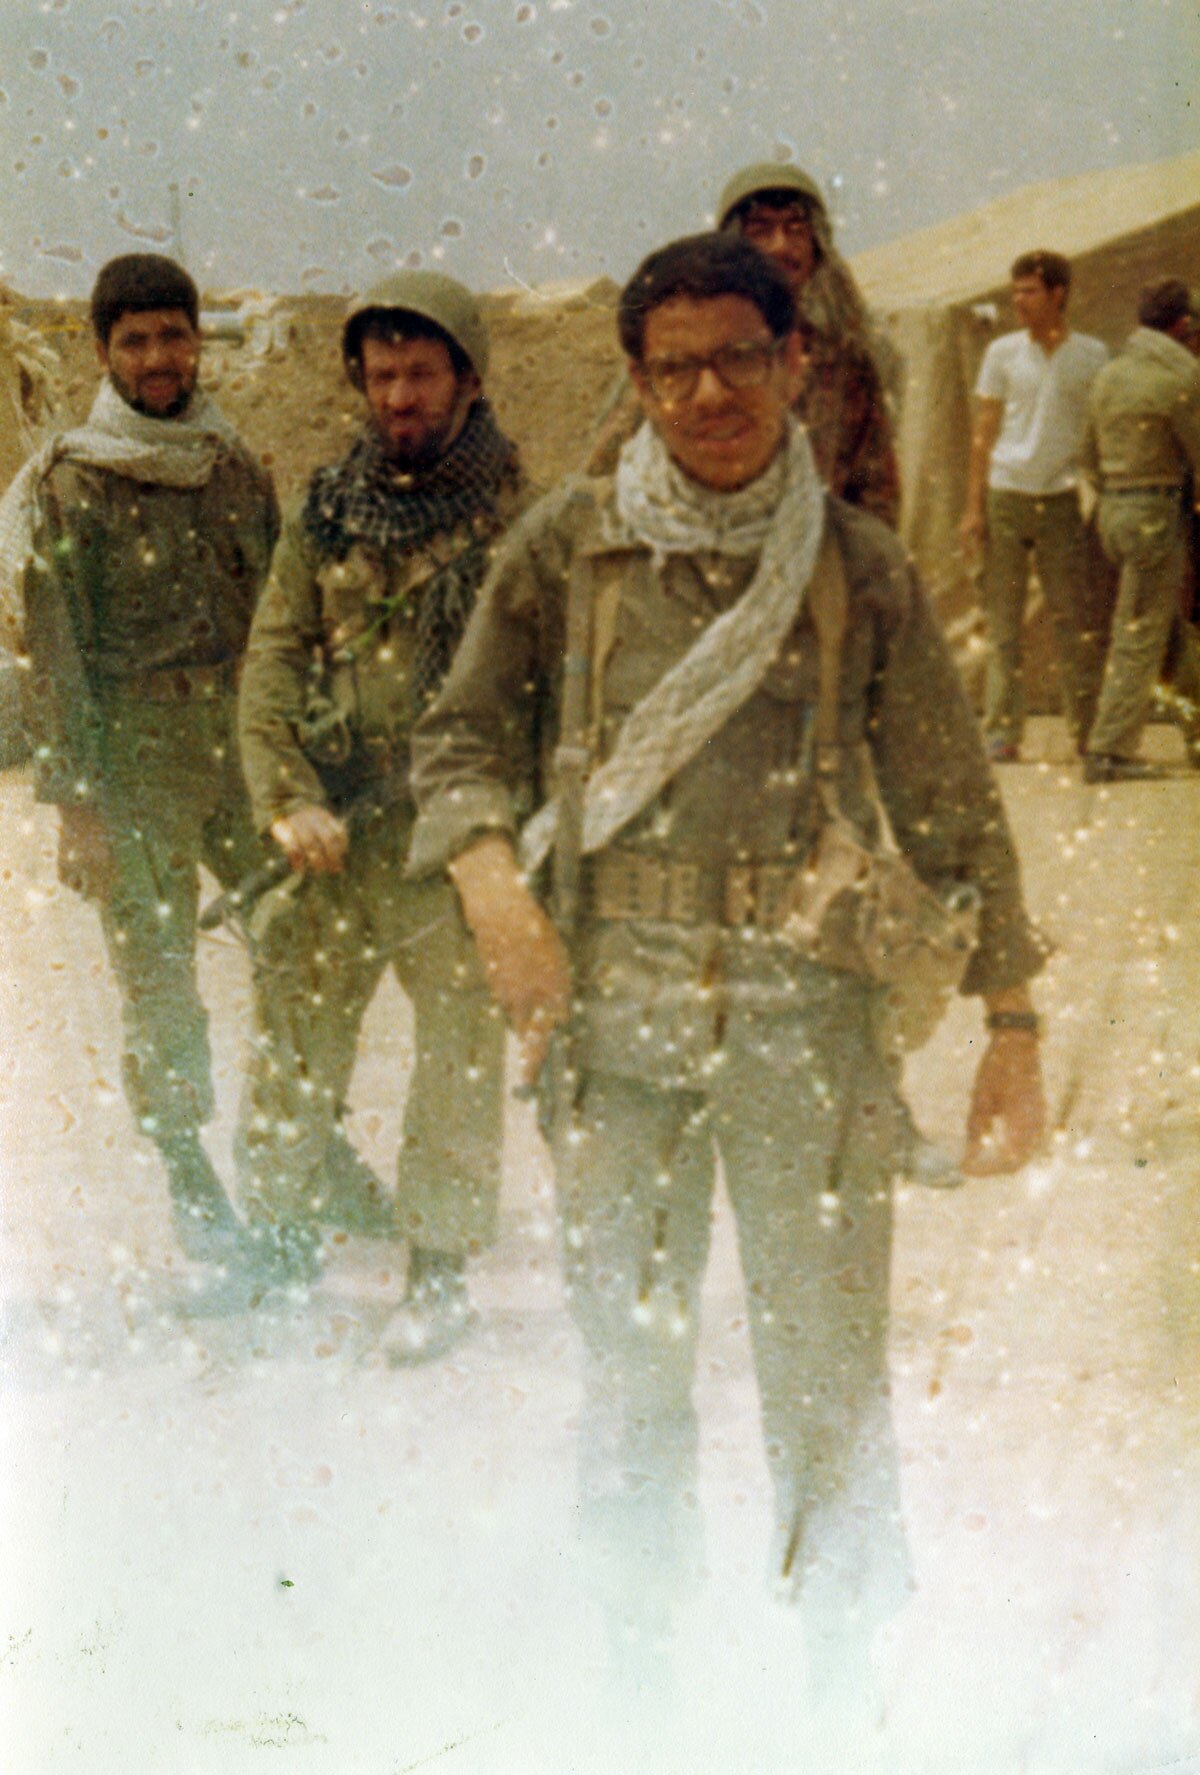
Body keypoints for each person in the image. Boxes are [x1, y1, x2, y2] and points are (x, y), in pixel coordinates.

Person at [408, 233, 1047, 1679]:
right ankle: (640, 1664)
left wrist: (1013, 1024)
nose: (710, 395)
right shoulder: (568, 546)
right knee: (630, 1364)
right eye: (676, 368)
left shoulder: (857, 564)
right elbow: (457, 739)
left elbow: (953, 806)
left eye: (741, 359)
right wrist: (494, 883)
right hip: (613, 1020)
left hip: (807, 1025)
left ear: (797, 361)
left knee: (827, 1362)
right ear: (635, 383)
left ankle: (838, 1664)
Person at [235, 272, 532, 1353]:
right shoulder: (325, 510)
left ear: (468, 378)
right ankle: (278, 1243)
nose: (399, 396)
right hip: (336, 821)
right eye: (382, 375)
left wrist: (510, 838)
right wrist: (287, 799)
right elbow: (273, 660)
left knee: (457, 1048)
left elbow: (552, 689)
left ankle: (437, 1267)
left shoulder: (522, 519)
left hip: (454, 828)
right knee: (294, 1034)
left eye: (421, 373)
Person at [1, 253, 278, 1271]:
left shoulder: (236, 468)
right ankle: (191, 1175)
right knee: (161, 982)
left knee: (303, 947)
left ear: (199, 342)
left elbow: (277, 620)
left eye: (175, 336)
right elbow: (57, 659)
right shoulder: (70, 485)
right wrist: (79, 810)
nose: (159, 358)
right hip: (136, 764)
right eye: (136, 341)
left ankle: (302, 1157)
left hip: (240, 749)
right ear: (102, 352)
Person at [587, 162, 900, 528]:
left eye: (796, 229)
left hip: (808, 550)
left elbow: (875, 492)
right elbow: (604, 475)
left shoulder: (843, 359)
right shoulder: (676, 358)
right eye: (760, 230)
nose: (781, 246)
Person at [959, 249, 1109, 761]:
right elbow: (983, 435)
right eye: (1014, 291)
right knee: (1003, 623)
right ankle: (1002, 732)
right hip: (1006, 497)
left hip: (1061, 500)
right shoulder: (1002, 354)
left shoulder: (1092, 356)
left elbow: (1101, 427)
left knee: (1072, 620)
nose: (1017, 301)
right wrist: (973, 508)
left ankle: (1086, 730)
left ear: (1057, 294)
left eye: (1028, 291)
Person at [1081, 279, 1200, 782]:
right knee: (1138, 635)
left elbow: (1087, 455)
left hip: (1114, 508)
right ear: (1182, 326)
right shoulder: (1181, 379)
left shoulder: (1109, 375)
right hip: (1156, 511)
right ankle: (1108, 751)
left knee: (1165, 629)